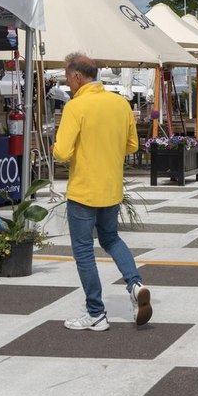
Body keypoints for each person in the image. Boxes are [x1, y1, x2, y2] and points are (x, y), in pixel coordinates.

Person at [52, 52, 151, 332]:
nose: (67, 84)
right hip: (111, 187)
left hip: (84, 189)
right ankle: (135, 283)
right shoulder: (120, 104)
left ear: (77, 76)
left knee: (84, 251)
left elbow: (62, 152)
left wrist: (55, 147)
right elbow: (132, 146)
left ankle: (95, 312)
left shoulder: (76, 107)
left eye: (67, 77)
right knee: (111, 239)